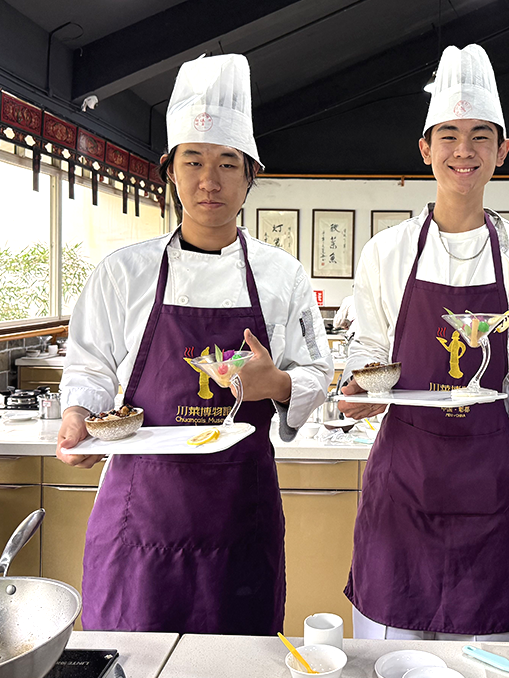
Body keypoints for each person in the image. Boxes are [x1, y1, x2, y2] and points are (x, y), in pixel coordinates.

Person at [56, 54, 333, 635]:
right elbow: (90, 365)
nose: (211, 180)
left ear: (250, 176)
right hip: (141, 515)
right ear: (171, 172)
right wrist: (79, 414)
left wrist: (277, 383)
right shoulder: (123, 272)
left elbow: (316, 370)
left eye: (228, 164)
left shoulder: (282, 275)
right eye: (194, 161)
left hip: (240, 516)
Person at [340, 44, 509, 641]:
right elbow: (367, 353)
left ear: (502, 151)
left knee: (482, 665)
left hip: (491, 492)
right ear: (425, 149)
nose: (464, 151)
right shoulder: (387, 251)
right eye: (449, 136)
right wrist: (359, 389)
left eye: (481, 136)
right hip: (401, 492)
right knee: (388, 661)